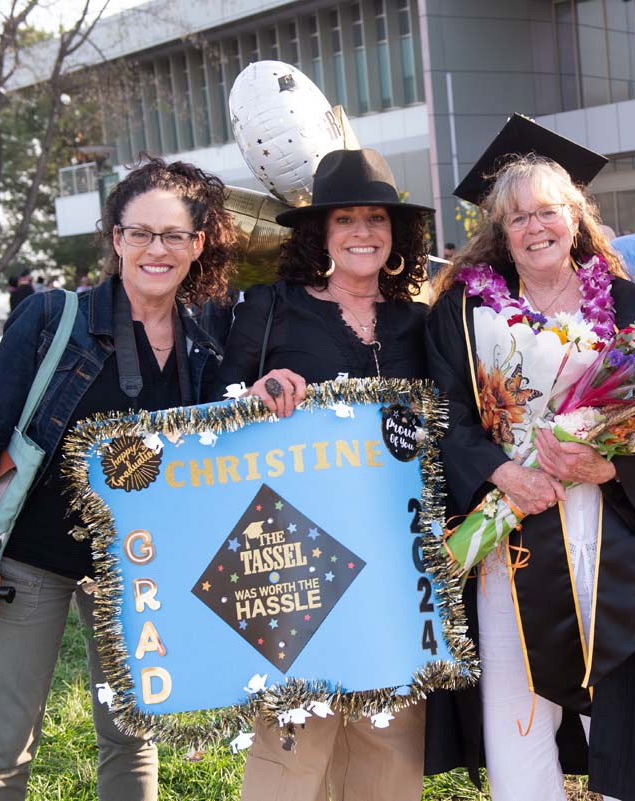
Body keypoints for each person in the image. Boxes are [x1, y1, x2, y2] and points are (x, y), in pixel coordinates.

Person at [0, 157, 234, 801]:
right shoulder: (52, 317)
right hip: (32, 560)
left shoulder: (206, 340)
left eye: (173, 235)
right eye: (139, 233)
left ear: (197, 245)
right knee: (4, 745)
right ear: (115, 238)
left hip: (136, 568)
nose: (155, 249)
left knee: (134, 737)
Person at [426, 114, 635, 801]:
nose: (535, 226)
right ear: (499, 229)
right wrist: (500, 469)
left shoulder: (626, 302)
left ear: (574, 218)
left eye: (549, 210)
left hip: (608, 526)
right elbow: (444, 410)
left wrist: (609, 466)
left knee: (620, 687)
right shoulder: (462, 311)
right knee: (517, 698)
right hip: (511, 522)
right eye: (518, 216)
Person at [217, 148, 437, 801]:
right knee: (295, 736)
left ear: (398, 234)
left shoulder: (420, 324)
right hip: (294, 550)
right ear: (321, 232)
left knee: (390, 735)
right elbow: (217, 403)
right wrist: (251, 391)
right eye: (346, 220)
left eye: (376, 218)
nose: (363, 231)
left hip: (397, 559)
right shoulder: (271, 307)